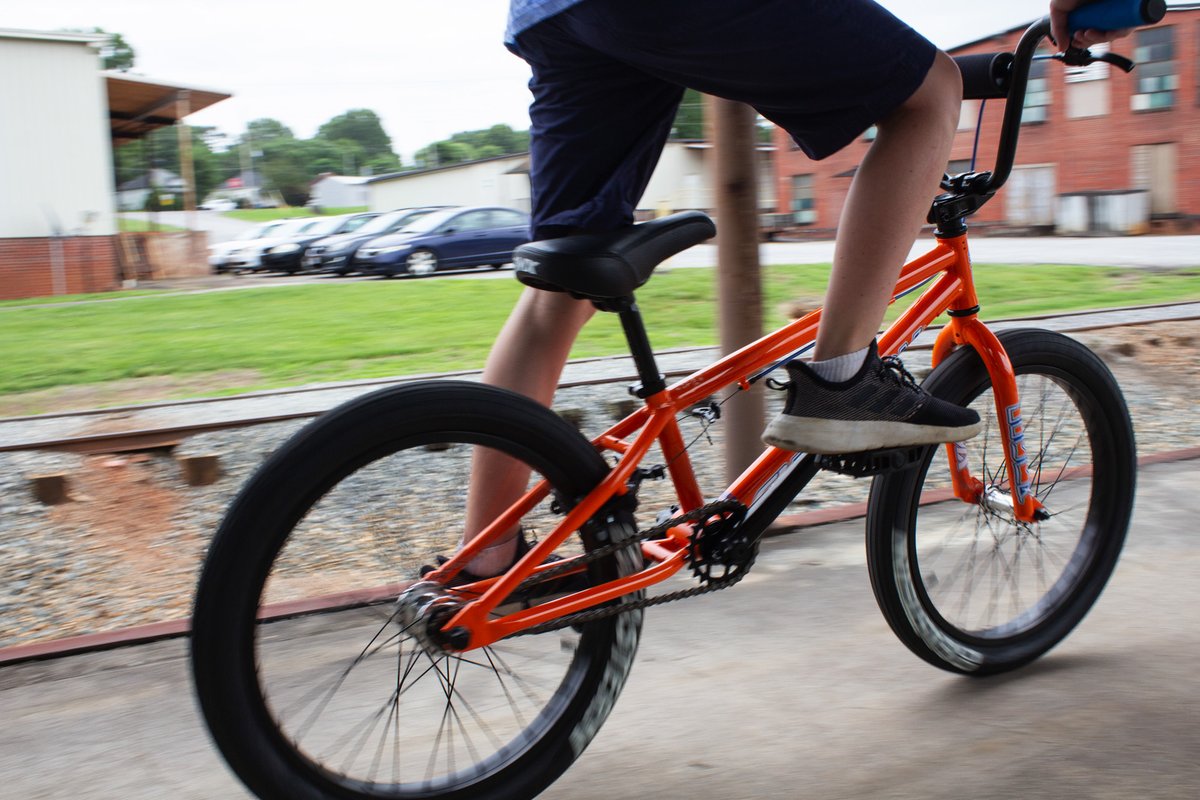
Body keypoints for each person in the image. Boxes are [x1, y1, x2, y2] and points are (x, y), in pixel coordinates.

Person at [455, 0, 1125, 578]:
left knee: (558, 289)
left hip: (554, 13)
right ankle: (842, 380)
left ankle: (483, 559)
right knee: (932, 92)